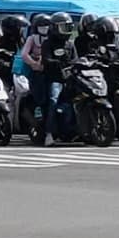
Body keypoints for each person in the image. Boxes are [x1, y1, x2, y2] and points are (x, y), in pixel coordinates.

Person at [40, 12, 77, 146]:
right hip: (55, 79)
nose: (67, 31)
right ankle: (49, 133)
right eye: (63, 27)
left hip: (70, 78)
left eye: (69, 27)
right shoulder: (47, 43)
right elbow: (46, 59)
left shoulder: (70, 44)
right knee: (53, 100)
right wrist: (55, 62)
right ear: (55, 28)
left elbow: (75, 59)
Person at [21, 14, 51, 127]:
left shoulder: (51, 38)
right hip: (35, 72)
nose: (45, 28)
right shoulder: (32, 38)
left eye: (47, 25)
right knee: (38, 96)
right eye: (42, 26)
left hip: (49, 71)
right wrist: (34, 64)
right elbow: (24, 54)